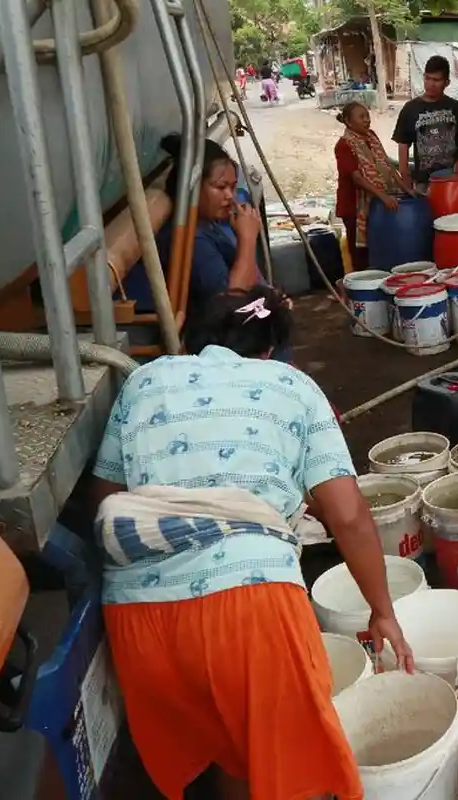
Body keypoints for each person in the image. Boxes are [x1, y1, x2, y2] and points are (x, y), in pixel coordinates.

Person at [90, 285, 414, 799]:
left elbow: (105, 493)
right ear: (269, 350)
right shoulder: (294, 386)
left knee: (232, 752)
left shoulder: (144, 381)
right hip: (249, 609)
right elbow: (349, 515)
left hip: (140, 619)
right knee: (293, 773)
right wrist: (382, 610)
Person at [123, 136, 264, 324]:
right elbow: (232, 301)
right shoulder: (192, 239)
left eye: (232, 186)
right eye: (221, 187)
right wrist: (247, 239)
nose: (230, 196)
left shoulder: (208, 222)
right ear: (193, 186)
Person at [334, 101, 410, 271]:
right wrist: (383, 196)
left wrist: (406, 189)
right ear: (348, 121)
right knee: (360, 251)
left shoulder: (372, 137)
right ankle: (361, 284)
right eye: (361, 117)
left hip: (375, 204)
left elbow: (387, 166)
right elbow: (357, 178)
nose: (367, 120)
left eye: (367, 116)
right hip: (354, 206)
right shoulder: (344, 145)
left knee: (378, 246)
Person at [392, 55, 458, 189]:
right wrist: (405, 175)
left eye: (437, 80)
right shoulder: (410, 109)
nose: (431, 84)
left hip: (454, 179)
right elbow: (403, 145)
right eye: (428, 78)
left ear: (447, 82)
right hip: (424, 182)